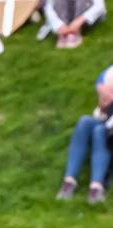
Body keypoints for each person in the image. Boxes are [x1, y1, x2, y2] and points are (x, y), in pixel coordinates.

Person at [56, 64, 113, 203]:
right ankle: (69, 181)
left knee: (100, 131)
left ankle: (96, 187)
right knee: (84, 122)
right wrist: (104, 103)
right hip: (109, 120)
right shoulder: (109, 74)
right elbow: (102, 89)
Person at [42, 0, 106, 47]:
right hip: (65, 14)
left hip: (86, 14)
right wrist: (58, 25)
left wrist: (80, 20)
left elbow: (100, 7)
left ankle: (74, 33)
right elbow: (48, 7)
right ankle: (64, 32)